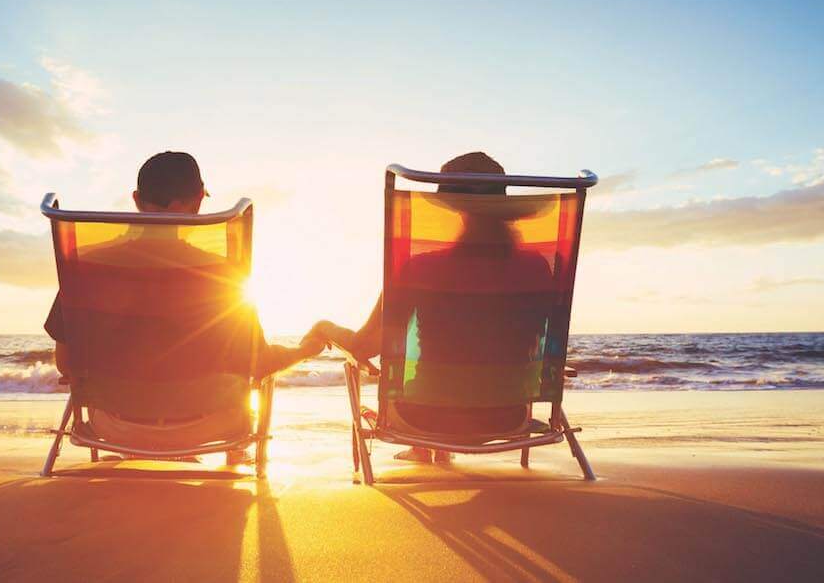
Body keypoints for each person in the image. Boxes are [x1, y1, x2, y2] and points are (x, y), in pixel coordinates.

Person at [44, 151, 326, 462]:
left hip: (112, 428)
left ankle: (138, 450)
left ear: (136, 199)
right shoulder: (223, 276)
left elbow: (66, 363)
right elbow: (257, 364)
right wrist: (305, 350)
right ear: (194, 203)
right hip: (209, 427)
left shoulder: (88, 268)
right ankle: (232, 457)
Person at [312, 152, 554, 463]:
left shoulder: (421, 268)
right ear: (503, 209)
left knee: (433, 385)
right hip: (508, 417)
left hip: (423, 417)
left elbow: (366, 346)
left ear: (457, 212)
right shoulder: (536, 268)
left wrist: (324, 328)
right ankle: (431, 447)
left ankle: (423, 446)